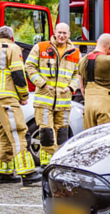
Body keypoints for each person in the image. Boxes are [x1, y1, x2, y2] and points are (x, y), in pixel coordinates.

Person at [0, 26, 39, 186]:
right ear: (12, 37)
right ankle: (27, 173)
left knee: (3, 135)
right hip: (7, 97)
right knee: (18, 133)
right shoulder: (13, 48)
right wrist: (24, 95)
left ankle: (4, 173)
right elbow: (18, 74)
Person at [25, 23, 81, 166]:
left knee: (62, 134)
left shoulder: (75, 52)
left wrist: (71, 87)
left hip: (64, 100)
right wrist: (42, 83)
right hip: (44, 99)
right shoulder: (41, 47)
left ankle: (58, 163)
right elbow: (29, 67)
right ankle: (48, 164)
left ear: (69, 34)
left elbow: (77, 73)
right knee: (47, 133)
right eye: (59, 32)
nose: (61, 35)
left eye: (64, 33)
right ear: (54, 32)